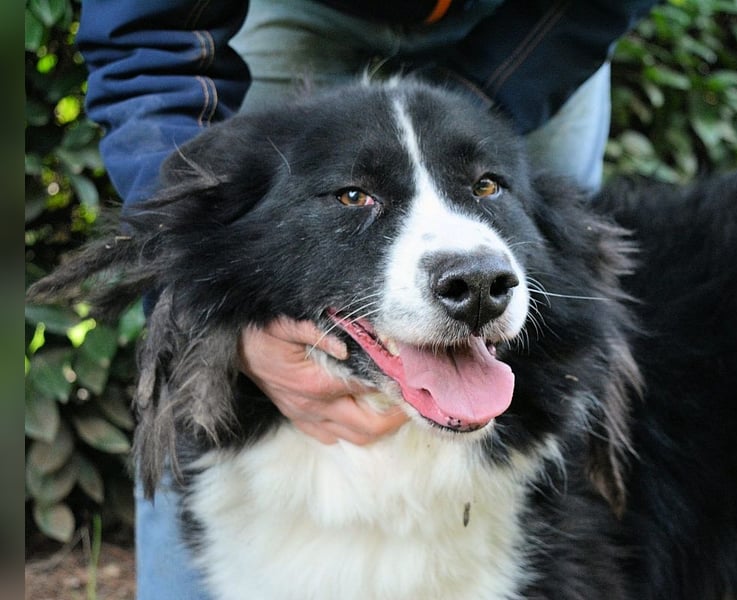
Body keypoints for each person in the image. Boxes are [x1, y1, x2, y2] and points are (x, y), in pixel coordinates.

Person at [76, 1, 657, 598]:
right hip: (290, 9)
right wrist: (204, 288)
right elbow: (149, 49)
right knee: (201, 367)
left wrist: (466, 110)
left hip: (534, 22)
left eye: (485, 189)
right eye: (355, 195)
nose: (472, 270)